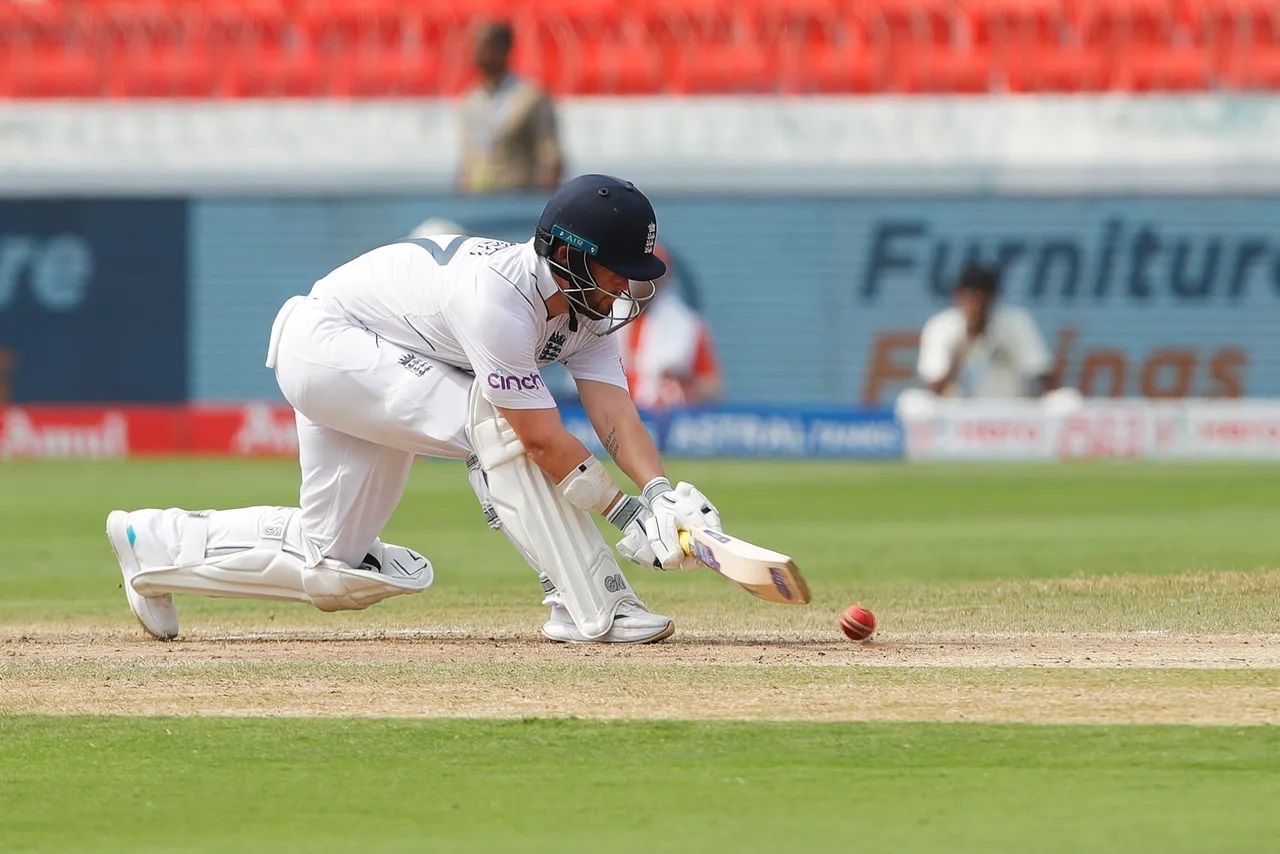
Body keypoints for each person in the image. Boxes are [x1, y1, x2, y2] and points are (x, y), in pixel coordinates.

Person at [105, 175, 722, 645]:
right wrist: (627, 514)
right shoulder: (499, 301)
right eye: (618, 271)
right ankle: (592, 605)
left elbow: (615, 416)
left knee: (336, 571)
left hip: (381, 356)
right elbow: (537, 438)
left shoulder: (589, 312)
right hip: (329, 346)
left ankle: (154, 544)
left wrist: (660, 493)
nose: (626, 289)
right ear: (569, 255)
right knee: (495, 425)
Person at [915, 262, 1059, 399]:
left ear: (993, 298)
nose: (976, 307)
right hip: (956, 417)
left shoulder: (1015, 323)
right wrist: (964, 344)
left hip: (1008, 417)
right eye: (971, 299)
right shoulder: (941, 327)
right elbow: (935, 389)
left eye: (982, 300)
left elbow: (1043, 374)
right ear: (958, 296)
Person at [458, 21, 563, 194]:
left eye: (486, 45)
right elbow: (468, 159)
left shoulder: (531, 97)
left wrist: (541, 205)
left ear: (504, 49)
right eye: (475, 45)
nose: (477, 52)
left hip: (517, 202)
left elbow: (551, 157)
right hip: (476, 203)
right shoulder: (470, 99)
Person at [616, 244, 723, 410]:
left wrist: (687, 381)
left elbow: (713, 388)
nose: (642, 280)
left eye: (650, 275)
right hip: (608, 418)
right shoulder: (603, 312)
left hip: (665, 420)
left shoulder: (686, 324)